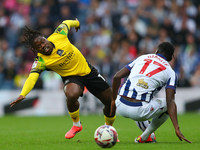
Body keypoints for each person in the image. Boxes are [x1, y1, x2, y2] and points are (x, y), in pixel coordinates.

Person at [9, 18, 117, 140]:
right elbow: (31, 78)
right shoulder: (40, 61)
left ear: (45, 38)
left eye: (42, 42)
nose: (43, 46)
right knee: (71, 95)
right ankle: (76, 125)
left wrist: (76, 23)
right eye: (38, 47)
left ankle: (109, 130)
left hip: (88, 72)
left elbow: (66, 23)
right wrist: (23, 94)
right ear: (35, 50)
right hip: (71, 77)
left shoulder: (58, 35)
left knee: (111, 102)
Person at [110, 42, 191, 143]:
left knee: (145, 96)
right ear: (171, 57)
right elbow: (170, 102)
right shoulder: (171, 73)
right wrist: (176, 128)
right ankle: (145, 136)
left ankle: (148, 136)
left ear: (156, 51)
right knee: (166, 103)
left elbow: (117, 76)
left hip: (120, 105)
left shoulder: (142, 58)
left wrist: (113, 100)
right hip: (139, 111)